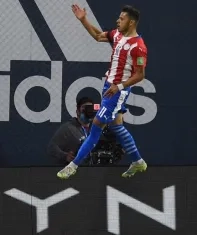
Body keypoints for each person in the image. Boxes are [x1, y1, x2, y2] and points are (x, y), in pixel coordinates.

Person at [57, 4, 148, 179]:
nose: (118, 20)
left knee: (96, 126)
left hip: (117, 92)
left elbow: (140, 75)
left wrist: (119, 86)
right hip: (108, 88)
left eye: (122, 18)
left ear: (131, 22)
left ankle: (73, 166)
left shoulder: (139, 47)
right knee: (116, 126)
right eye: (119, 17)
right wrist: (83, 19)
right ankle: (138, 161)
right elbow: (98, 36)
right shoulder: (117, 35)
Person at [47, 97, 94, 165]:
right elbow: (51, 147)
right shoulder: (68, 128)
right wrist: (65, 156)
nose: (87, 111)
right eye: (84, 108)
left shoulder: (96, 129)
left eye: (90, 108)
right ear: (77, 111)